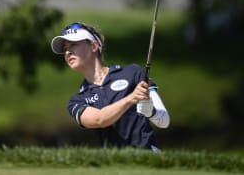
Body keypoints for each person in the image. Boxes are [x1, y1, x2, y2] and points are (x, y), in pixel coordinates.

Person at [50, 22, 170, 151]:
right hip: (115, 165)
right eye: (65, 48)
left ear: (94, 46)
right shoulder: (77, 100)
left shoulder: (133, 73)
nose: (68, 52)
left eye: (73, 44)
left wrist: (151, 112)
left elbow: (164, 121)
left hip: (149, 156)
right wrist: (131, 99)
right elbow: (99, 119)